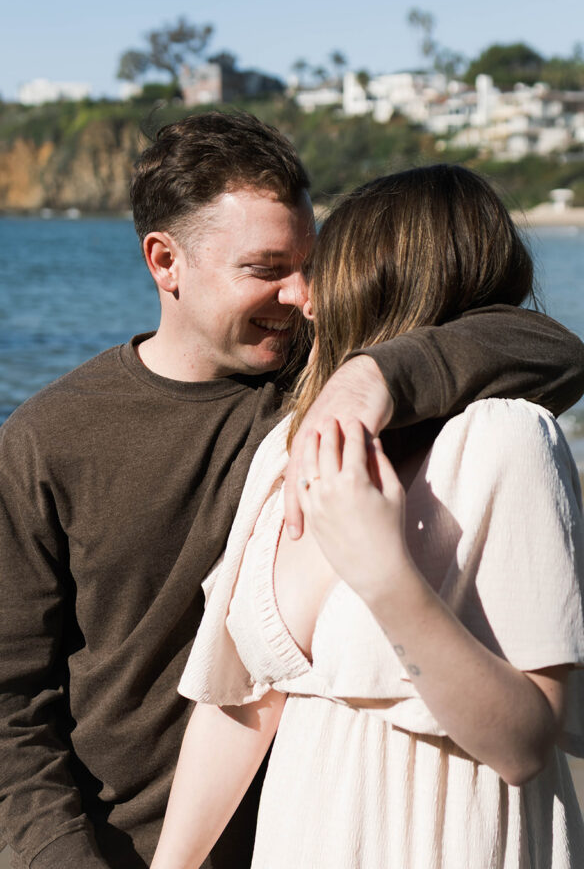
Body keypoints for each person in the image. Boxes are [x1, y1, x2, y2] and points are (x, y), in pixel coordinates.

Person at [0, 115, 582, 869]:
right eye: (266, 266)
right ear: (165, 261)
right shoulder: (50, 437)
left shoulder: (316, 389)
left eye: (311, 263)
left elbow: (547, 346)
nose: (303, 294)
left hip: (312, 832)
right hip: (128, 846)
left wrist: (375, 376)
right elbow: (11, 697)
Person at [153, 164, 584, 869]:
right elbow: (243, 703)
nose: (298, 296)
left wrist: (386, 576)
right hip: (304, 837)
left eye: (323, 270)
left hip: (446, 842)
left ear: (385, 282)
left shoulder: (505, 440)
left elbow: (525, 745)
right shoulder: (291, 446)